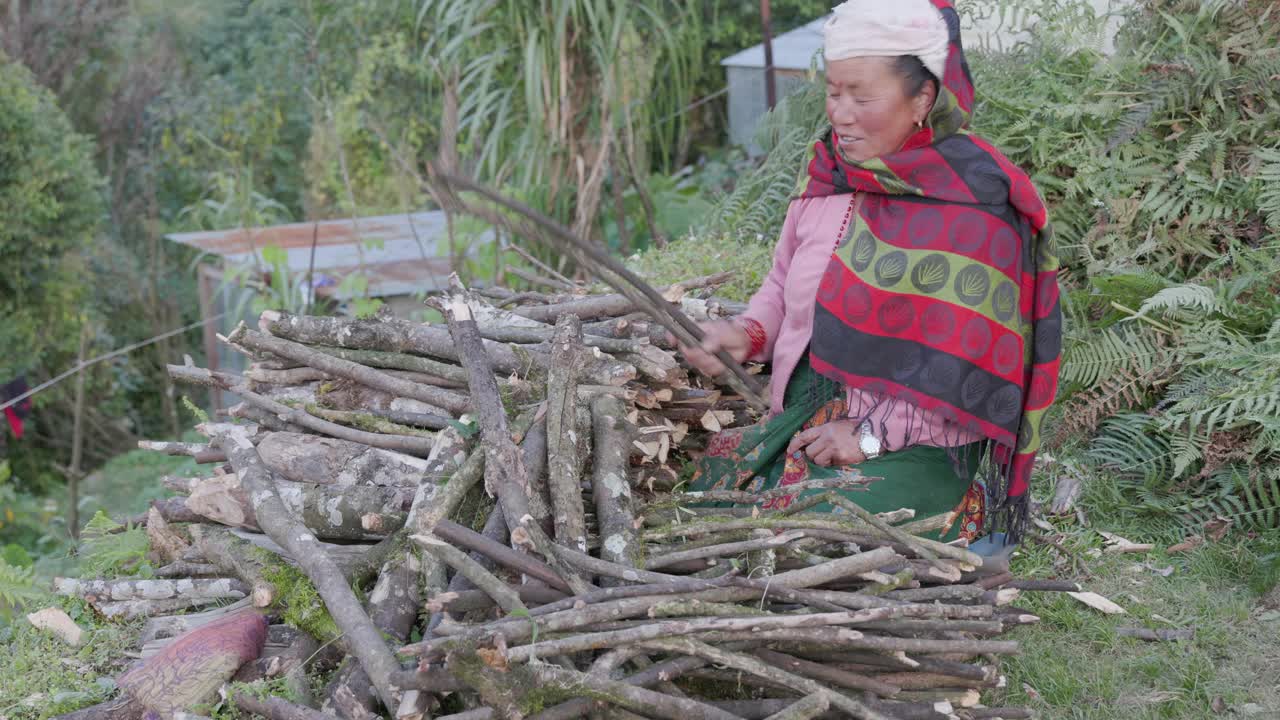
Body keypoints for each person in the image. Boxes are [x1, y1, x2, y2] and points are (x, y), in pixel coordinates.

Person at [680, 0, 1061, 545]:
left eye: (863, 95)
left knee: (818, 530)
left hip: (925, 442)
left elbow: (970, 363)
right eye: (834, 92)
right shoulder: (828, 176)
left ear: (922, 99)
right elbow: (781, 286)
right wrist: (746, 335)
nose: (841, 112)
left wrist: (872, 435)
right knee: (712, 505)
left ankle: (952, 507)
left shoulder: (975, 203)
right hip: (809, 415)